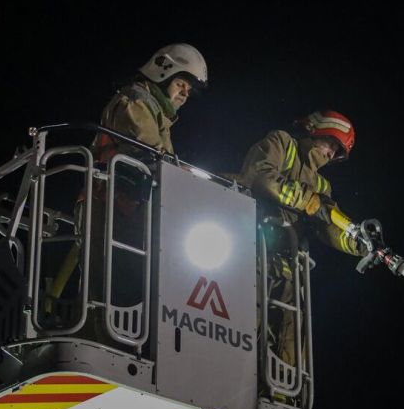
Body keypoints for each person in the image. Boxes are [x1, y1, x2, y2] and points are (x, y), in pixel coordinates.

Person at [45, 44, 208, 342]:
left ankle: (125, 342)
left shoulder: (159, 115)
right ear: (163, 73)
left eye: (189, 89)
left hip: (126, 210)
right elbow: (148, 151)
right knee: (103, 284)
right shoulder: (135, 102)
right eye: (181, 84)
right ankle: (97, 343)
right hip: (104, 204)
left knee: (127, 284)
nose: (185, 93)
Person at [237, 110, 375, 377]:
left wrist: (358, 242)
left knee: (288, 344)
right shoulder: (282, 143)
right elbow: (260, 177)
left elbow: (327, 227)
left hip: (288, 273)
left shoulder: (322, 184)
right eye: (331, 144)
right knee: (241, 330)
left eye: (337, 152)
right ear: (315, 130)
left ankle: (279, 400)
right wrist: (308, 201)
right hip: (251, 258)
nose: (331, 154)